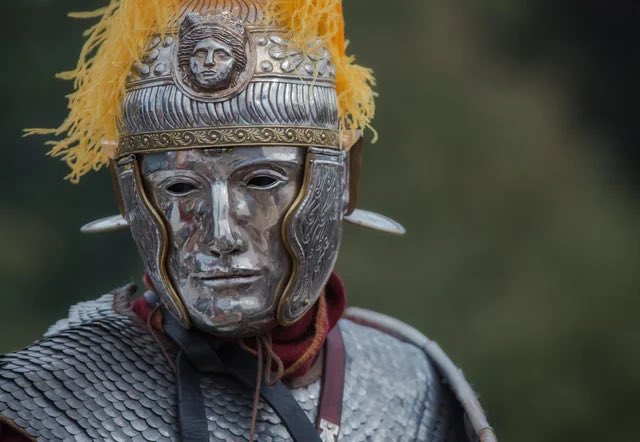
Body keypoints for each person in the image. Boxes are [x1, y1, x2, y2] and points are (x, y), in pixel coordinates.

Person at [0, 1, 497, 441]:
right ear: (129, 193)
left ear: (342, 177)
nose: (221, 237)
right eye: (180, 187)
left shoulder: (415, 390)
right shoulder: (46, 405)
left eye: (261, 181)